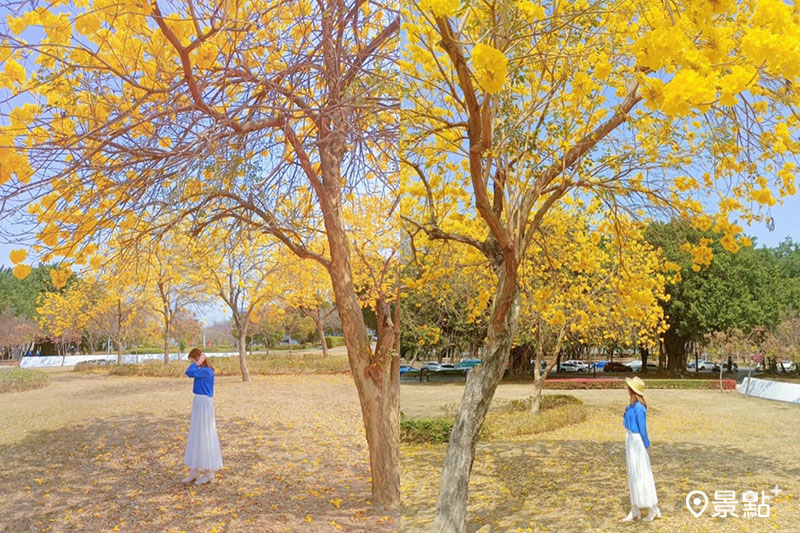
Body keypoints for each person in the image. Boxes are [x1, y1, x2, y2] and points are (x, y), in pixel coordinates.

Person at [622, 376, 661, 522]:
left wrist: (646, 444)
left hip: (638, 441)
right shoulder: (630, 406)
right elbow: (625, 423)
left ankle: (653, 508)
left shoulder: (639, 408)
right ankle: (635, 509)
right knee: (633, 474)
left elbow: (642, 428)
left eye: (628, 387)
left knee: (642, 474)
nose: (626, 389)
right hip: (630, 440)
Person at [183, 348, 222, 485]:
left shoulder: (206, 371)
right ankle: (194, 471)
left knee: (205, 435)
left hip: (204, 404)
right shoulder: (202, 370)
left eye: (193, 359)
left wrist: (199, 361)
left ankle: (208, 473)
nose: (193, 362)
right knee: (196, 435)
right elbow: (190, 372)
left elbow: (189, 372)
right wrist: (199, 361)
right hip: (198, 403)